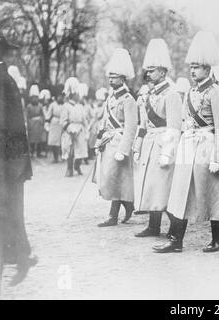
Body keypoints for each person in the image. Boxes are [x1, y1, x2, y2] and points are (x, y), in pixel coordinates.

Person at [153, 31, 219, 253]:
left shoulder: (216, 92)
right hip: (189, 146)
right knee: (181, 193)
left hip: (208, 147)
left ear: (208, 69)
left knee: (214, 192)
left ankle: (218, 240)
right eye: (191, 66)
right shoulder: (189, 92)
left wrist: (218, 157)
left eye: (197, 67)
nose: (192, 70)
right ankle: (176, 240)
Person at [0, 29, 36, 288]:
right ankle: (20, 256)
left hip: (4, 164)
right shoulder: (4, 77)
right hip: (10, 162)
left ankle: (17, 259)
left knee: (3, 217)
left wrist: (4, 167)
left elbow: (5, 127)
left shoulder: (1, 80)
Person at [133, 38, 182, 238]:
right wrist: (137, 146)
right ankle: (153, 226)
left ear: (162, 72)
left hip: (164, 145)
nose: (148, 74)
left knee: (165, 188)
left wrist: (167, 153)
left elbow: (174, 127)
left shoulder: (172, 95)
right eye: (148, 70)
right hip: (149, 145)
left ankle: (174, 230)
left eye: (152, 70)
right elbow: (143, 125)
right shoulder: (147, 95)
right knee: (152, 186)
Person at [95, 48, 138, 227]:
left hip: (119, 143)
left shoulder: (128, 100)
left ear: (123, 78)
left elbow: (130, 127)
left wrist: (124, 149)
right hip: (108, 142)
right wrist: (100, 136)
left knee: (117, 179)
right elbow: (104, 119)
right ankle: (128, 205)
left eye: (114, 77)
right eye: (110, 76)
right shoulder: (110, 98)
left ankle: (114, 215)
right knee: (109, 179)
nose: (111, 79)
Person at [60, 77, 88, 177]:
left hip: (80, 130)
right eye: (77, 94)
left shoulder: (80, 107)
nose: (78, 96)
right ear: (72, 95)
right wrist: (70, 129)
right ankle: (69, 168)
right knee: (70, 152)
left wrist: (86, 130)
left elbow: (84, 120)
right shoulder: (66, 107)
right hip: (70, 131)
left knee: (81, 151)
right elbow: (63, 121)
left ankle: (77, 165)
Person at [46, 85, 65, 163]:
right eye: (58, 96)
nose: (60, 98)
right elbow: (48, 114)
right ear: (56, 97)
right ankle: (55, 157)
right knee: (53, 141)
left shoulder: (64, 105)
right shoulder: (52, 105)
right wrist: (47, 123)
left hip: (62, 123)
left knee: (62, 141)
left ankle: (62, 156)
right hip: (54, 123)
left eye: (61, 96)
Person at [26, 84, 45, 158]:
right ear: (31, 98)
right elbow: (27, 116)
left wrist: (42, 121)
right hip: (32, 124)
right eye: (33, 98)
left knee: (39, 139)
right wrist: (29, 124)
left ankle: (38, 152)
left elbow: (43, 115)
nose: (35, 99)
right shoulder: (29, 106)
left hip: (39, 124)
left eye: (36, 98)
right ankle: (32, 152)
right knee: (32, 140)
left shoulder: (40, 106)